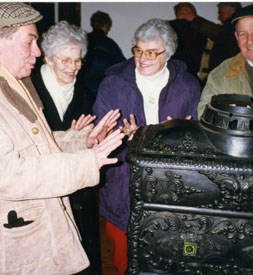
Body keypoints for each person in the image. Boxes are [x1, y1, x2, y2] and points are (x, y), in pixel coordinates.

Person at [0, 3, 124, 274]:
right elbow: (8, 174)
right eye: (30, 41)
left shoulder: (1, 80)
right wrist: (87, 162)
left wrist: (82, 141)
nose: (38, 51)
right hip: (0, 253)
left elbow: (31, 144)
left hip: (25, 238)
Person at [93, 18, 200, 275]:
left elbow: (197, 142)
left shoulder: (188, 86)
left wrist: (164, 135)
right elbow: (100, 139)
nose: (143, 58)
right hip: (123, 189)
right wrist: (125, 137)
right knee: (123, 262)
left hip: (171, 191)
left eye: (152, 52)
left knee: (165, 260)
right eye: (138, 50)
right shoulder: (113, 84)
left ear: (168, 54)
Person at [31, 21, 101, 274]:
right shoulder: (29, 90)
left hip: (77, 190)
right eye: (66, 61)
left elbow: (90, 145)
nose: (73, 68)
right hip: (43, 190)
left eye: (78, 60)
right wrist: (69, 137)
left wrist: (94, 136)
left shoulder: (84, 94)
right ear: (48, 58)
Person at [177, 2, 241, 84]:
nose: (218, 17)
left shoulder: (235, 25)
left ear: (232, 10)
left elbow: (219, 34)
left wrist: (194, 19)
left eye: (220, 12)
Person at [82, 11, 126, 96]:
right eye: (108, 28)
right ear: (106, 26)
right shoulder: (110, 44)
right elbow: (123, 66)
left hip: (82, 90)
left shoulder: (83, 41)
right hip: (102, 90)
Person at [169, 2, 207, 78]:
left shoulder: (165, 28)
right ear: (189, 11)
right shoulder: (201, 30)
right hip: (191, 75)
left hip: (168, 74)